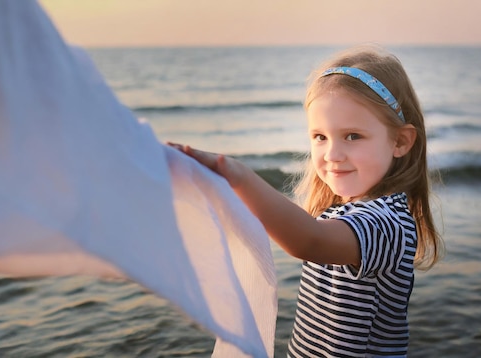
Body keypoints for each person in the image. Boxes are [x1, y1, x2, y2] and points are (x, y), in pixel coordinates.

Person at [170, 45, 444, 357]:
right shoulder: (343, 211)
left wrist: (236, 175)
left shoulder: (386, 222)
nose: (332, 154)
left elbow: (309, 241)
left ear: (400, 141)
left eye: (353, 136)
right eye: (320, 137)